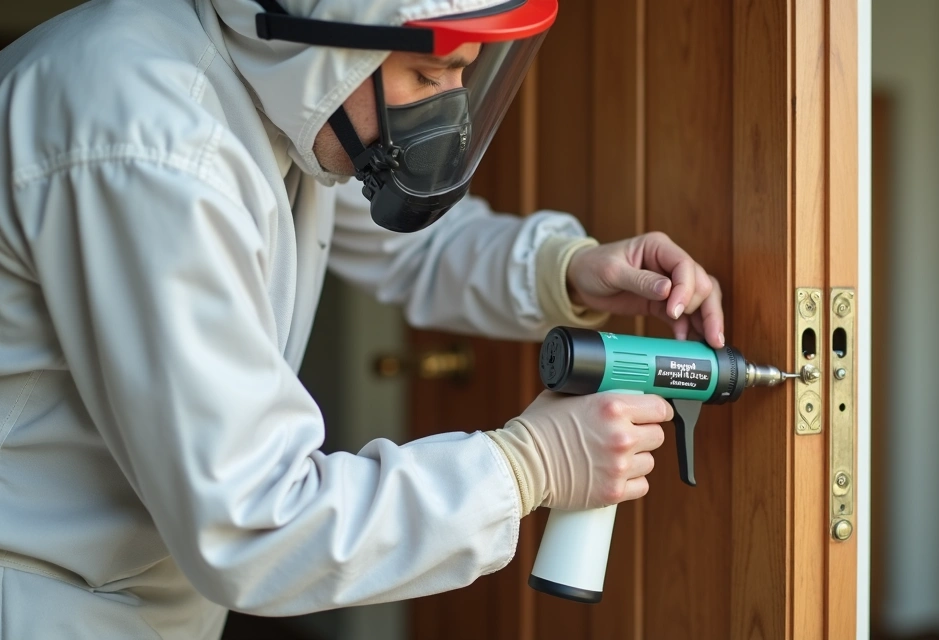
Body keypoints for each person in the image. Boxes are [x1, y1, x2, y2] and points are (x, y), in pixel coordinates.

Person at [0, 0, 726, 638]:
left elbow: (408, 248)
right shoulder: (151, 146)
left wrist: (565, 269)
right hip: (43, 603)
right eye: (429, 76)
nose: (451, 107)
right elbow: (255, 525)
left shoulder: (276, 84)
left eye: (464, 72)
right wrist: (524, 466)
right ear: (331, 42)